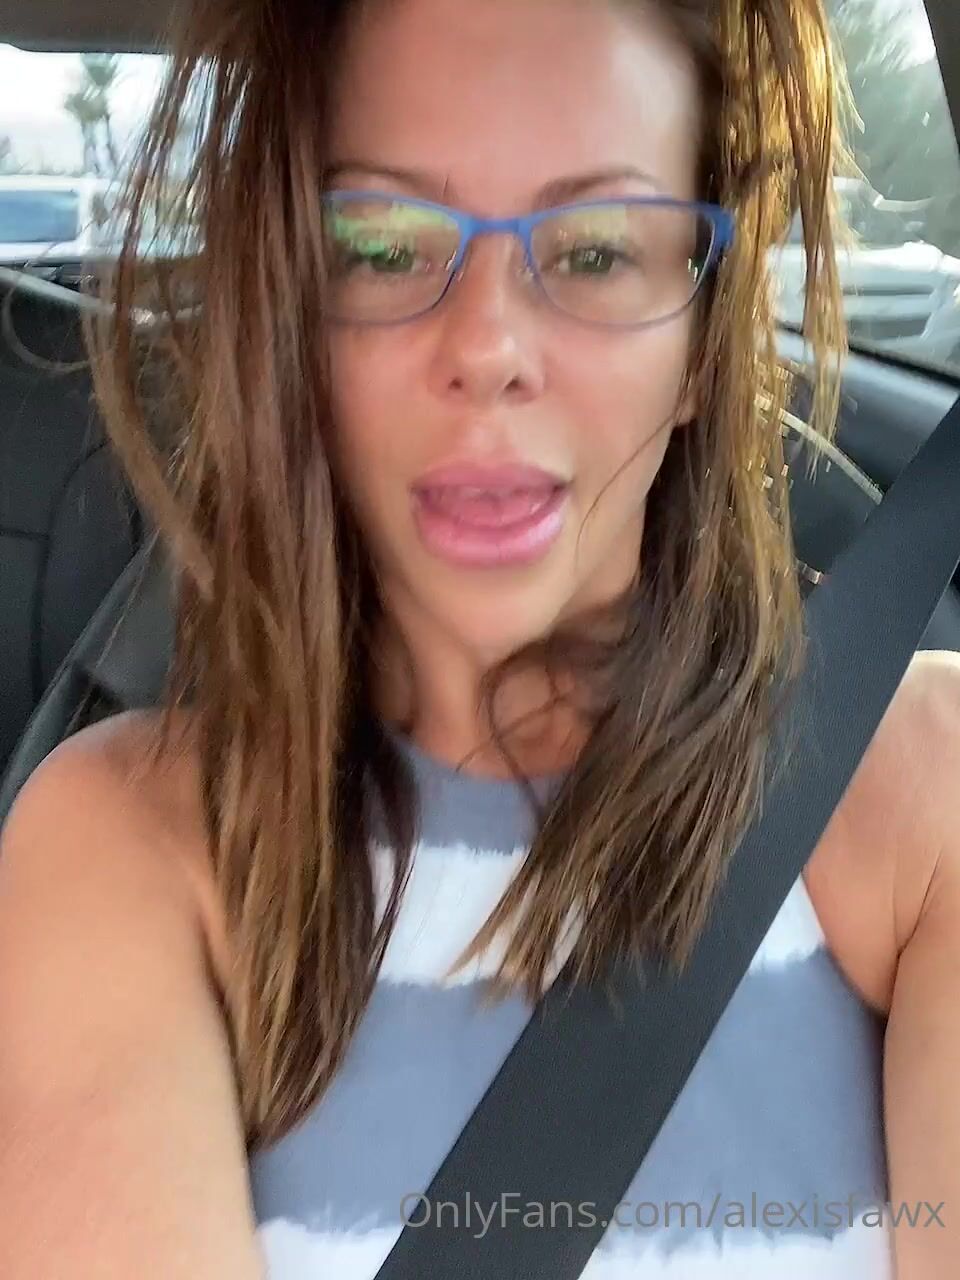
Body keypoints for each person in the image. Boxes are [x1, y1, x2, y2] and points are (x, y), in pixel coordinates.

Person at [1, 0, 958, 1275]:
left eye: (600, 250)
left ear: (700, 343)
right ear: (293, 320)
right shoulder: (124, 842)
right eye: (382, 245)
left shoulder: (919, 790)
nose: (490, 348)